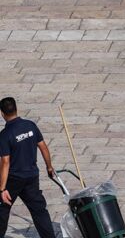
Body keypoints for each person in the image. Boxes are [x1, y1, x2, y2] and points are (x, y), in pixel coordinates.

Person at [0, 98, 58, 238]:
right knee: (39, 210)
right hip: (32, 177)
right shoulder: (30, 125)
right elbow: (43, 147)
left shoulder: (5, 135)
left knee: (2, 210)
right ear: (16, 109)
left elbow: (5, 162)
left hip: (13, 179)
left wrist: (2, 189)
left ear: (2, 113)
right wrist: (49, 167)